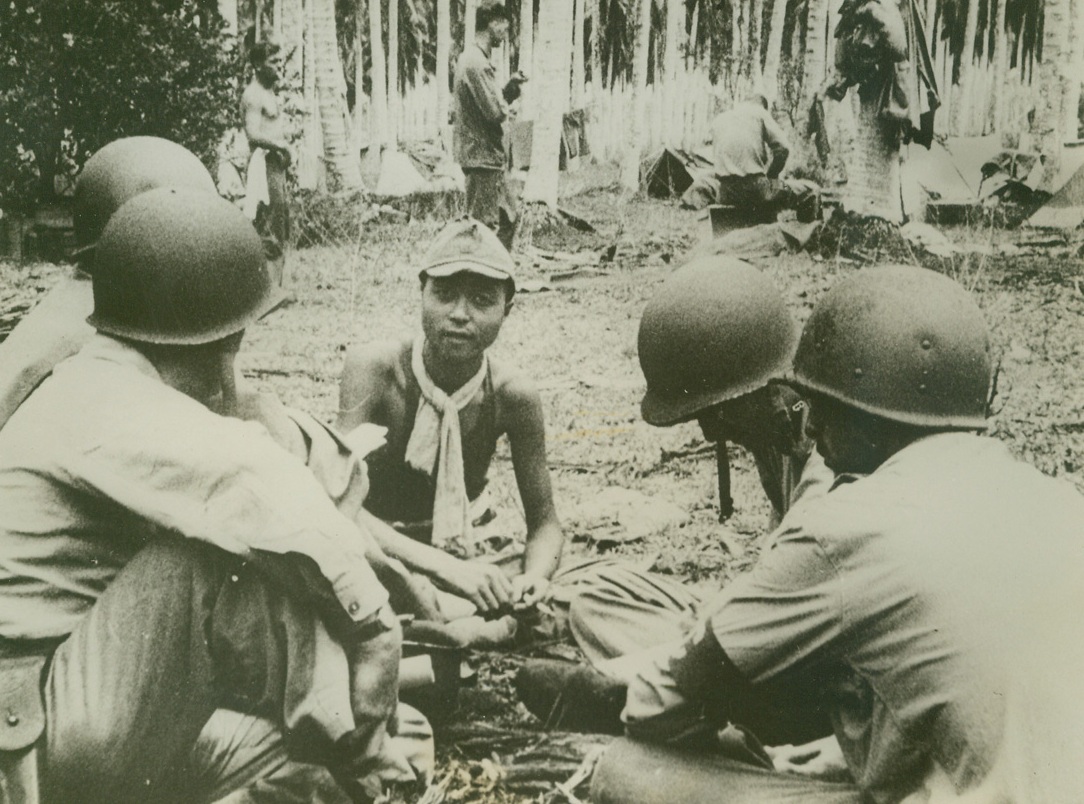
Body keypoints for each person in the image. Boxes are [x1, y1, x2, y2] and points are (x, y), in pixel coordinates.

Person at [587, 265, 1084, 803]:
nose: (813, 425)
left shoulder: (849, 521)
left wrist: (699, 736)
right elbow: (959, 682)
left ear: (872, 415)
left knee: (626, 772)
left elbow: (661, 702)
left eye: (827, 407)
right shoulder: (1050, 495)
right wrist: (841, 753)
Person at [0, 188, 421, 802]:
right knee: (215, 566)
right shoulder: (106, 399)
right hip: (37, 740)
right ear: (225, 337)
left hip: (53, 714)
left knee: (303, 763)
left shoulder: (98, 378)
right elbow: (256, 482)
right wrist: (375, 632)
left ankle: (356, 745)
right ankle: (363, 739)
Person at [515, 256, 832, 721]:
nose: (709, 434)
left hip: (808, 651)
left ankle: (662, 692)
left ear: (763, 389)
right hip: (768, 622)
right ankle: (671, 682)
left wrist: (706, 633)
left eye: (716, 414)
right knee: (596, 595)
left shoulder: (829, 463)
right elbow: (772, 568)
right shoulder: (778, 428)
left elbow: (796, 611)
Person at [337, 218, 563, 634]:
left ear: (506, 309)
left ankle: (457, 624)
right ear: (421, 294)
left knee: (561, 596)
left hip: (469, 547)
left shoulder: (513, 394)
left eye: (481, 300)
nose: (460, 315)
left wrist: (536, 579)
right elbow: (337, 501)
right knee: (342, 573)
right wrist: (440, 569)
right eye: (443, 295)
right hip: (379, 543)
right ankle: (463, 626)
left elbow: (545, 523)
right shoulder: (375, 369)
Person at [452, 2, 526, 250]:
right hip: (481, 158)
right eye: (504, 24)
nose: (506, 31)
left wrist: (509, 90)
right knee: (483, 228)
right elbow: (494, 112)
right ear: (492, 23)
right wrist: (508, 109)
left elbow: (487, 104)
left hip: (488, 157)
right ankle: (478, 281)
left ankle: (496, 276)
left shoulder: (475, 60)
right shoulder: (476, 63)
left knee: (509, 218)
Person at [682, 94, 817, 221]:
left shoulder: (721, 119)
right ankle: (809, 238)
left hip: (725, 193)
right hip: (755, 190)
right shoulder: (759, 112)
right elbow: (783, 149)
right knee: (810, 190)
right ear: (762, 105)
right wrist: (772, 176)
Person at [243, 38, 293, 291]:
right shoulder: (252, 95)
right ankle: (268, 291)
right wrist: (281, 146)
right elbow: (253, 134)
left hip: (276, 165)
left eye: (280, 61)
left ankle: (276, 287)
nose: (279, 66)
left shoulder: (269, 91)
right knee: (269, 225)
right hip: (264, 166)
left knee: (281, 222)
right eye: (273, 62)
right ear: (258, 65)